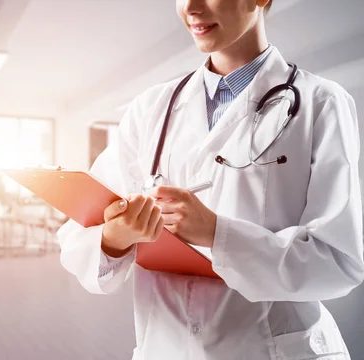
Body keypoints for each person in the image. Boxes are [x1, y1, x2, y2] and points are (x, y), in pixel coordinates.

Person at [56, 0, 364, 359]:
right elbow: (79, 234)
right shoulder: (151, 108)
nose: (190, 7)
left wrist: (217, 233)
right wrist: (115, 237)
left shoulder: (320, 103)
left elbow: (339, 260)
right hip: (165, 348)